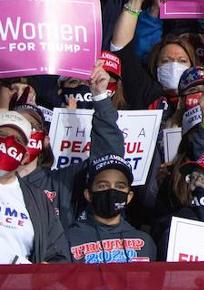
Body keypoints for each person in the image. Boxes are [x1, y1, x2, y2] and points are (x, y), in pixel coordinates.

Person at [0, 110, 69, 263]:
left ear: (25, 156)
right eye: (2, 136)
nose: (7, 143)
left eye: (17, 141)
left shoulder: (38, 200)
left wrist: (46, 272)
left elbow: (57, 257)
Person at [66, 155, 156, 263]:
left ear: (129, 196)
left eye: (120, 187)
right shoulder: (69, 239)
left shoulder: (146, 242)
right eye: (103, 186)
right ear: (88, 195)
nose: (111, 192)